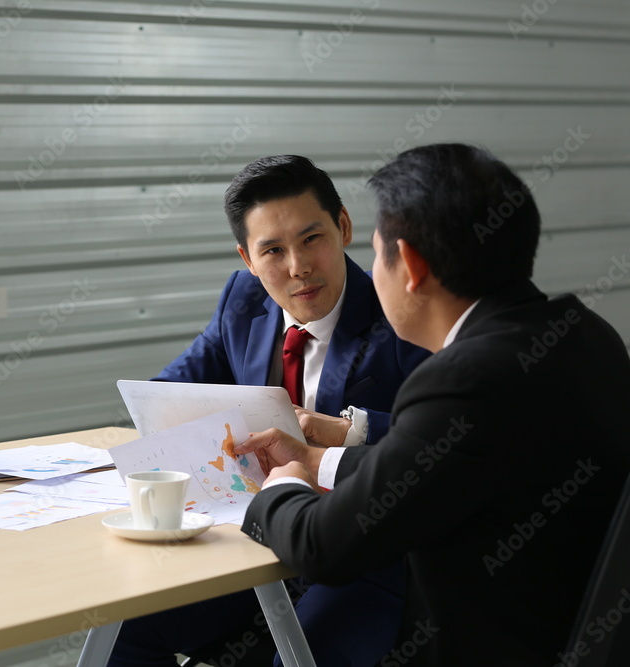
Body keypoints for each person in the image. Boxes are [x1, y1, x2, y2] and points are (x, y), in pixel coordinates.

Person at [238, 143, 630, 665]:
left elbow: (321, 547)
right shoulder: (585, 334)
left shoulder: (462, 379)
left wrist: (278, 482)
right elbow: (443, 465)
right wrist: (315, 460)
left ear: (413, 267)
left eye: (378, 255)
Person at [112, 155, 429, 667]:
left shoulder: (399, 310)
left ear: (344, 227)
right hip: (257, 541)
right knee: (126, 625)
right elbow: (169, 391)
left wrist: (351, 429)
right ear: (247, 259)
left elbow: (441, 440)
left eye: (312, 240)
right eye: (273, 251)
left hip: (356, 555)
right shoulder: (243, 301)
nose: (298, 267)